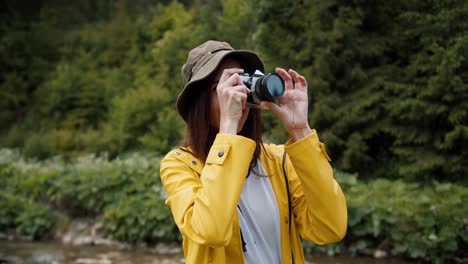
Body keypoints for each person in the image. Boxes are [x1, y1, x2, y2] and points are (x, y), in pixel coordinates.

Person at [159, 40, 347, 264]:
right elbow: (211, 231)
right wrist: (228, 130)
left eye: (241, 83)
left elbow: (330, 228)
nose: (237, 95)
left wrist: (301, 132)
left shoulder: (278, 160)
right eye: (223, 87)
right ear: (198, 102)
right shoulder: (179, 164)